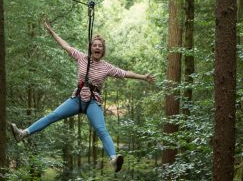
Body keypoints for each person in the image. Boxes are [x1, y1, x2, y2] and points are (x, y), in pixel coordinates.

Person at [10, 21, 155, 172]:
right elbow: (65, 46)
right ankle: (23, 133)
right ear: (91, 48)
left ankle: (113, 159)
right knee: (53, 116)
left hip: (93, 103)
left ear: (103, 50)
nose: (97, 47)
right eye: (95, 45)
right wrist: (52, 32)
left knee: (101, 129)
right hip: (77, 99)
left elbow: (125, 73)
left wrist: (143, 77)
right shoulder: (81, 58)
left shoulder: (107, 67)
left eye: (100, 46)